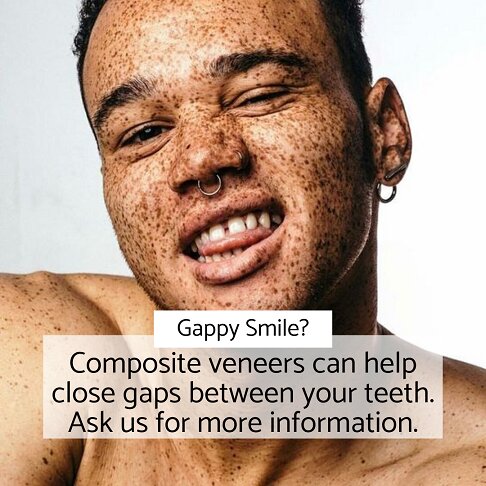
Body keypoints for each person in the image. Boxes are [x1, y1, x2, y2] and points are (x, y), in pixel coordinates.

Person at [0, 0, 484, 484]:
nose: (202, 159)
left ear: (385, 133)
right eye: (144, 132)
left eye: (257, 95)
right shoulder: (34, 355)